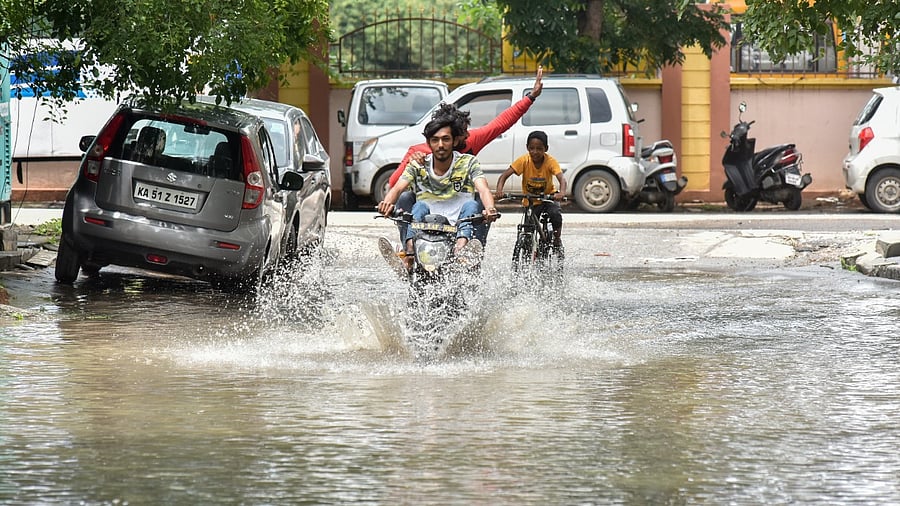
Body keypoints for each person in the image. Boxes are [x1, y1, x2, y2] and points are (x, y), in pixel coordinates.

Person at [388, 66, 545, 245]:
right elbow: (394, 184)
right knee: (405, 199)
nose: (467, 135)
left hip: (460, 205)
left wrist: (531, 97)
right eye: (438, 139)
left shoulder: (470, 143)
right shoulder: (420, 152)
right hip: (428, 206)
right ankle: (409, 249)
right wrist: (411, 163)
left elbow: (501, 123)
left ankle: (474, 249)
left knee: (479, 201)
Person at [378, 116, 500, 272]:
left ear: (454, 142)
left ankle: (460, 254)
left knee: (472, 204)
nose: (440, 145)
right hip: (424, 227)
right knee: (416, 204)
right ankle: (409, 255)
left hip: (457, 226)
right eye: (435, 140)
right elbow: (397, 188)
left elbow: (483, 189)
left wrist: (490, 209)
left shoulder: (468, 162)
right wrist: (386, 204)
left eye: (445, 139)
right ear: (429, 143)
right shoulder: (417, 165)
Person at [494, 130, 567, 247]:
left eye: (539, 149)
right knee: (528, 228)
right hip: (531, 201)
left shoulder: (550, 162)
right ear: (527, 147)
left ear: (546, 149)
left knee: (555, 215)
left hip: (548, 197)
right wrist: (499, 191)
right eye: (532, 148)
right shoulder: (524, 160)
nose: (535, 152)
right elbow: (504, 176)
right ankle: (527, 249)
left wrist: (561, 193)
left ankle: (557, 239)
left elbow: (562, 179)